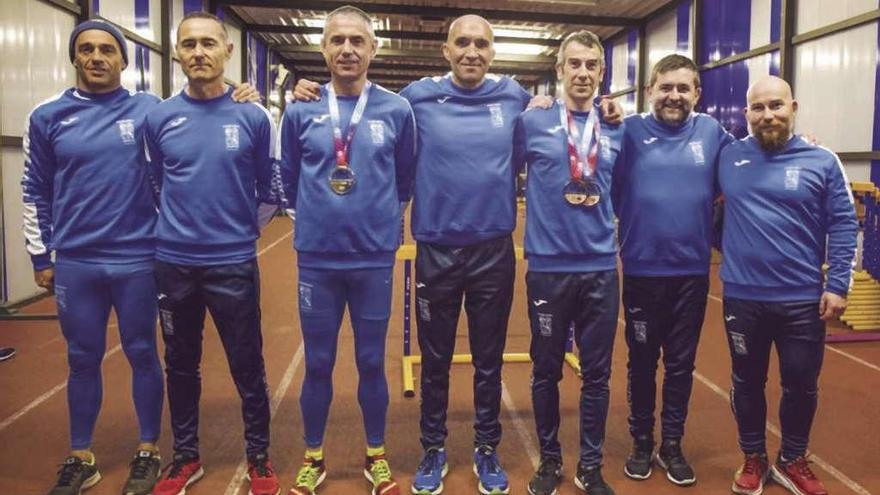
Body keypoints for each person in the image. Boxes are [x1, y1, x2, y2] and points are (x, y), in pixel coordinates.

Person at [292, 16, 621, 493]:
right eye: (462, 43)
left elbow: (566, 121)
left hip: (493, 251)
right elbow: (378, 129)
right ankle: (433, 448)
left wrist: (604, 108)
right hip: (436, 250)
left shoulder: (517, 99)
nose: (471, 51)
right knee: (437, 358)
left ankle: (487, 448)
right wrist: (308, 90)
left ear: (493, 52)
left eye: (481, 44)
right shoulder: (414, 99)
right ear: (445, 51)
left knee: (488, 360)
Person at [21, 20, 165, 495]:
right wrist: (40, 254)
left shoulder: (148, 110)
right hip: (77, 262)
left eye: (107, 50)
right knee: (82, 358)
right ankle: (81, 456)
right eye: (87, 50)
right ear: (75, 58)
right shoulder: (47, 116)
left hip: (138, 257)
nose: (97, 57)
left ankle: (148, 448)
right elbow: (34, 189)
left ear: (124, 60)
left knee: (143, 352)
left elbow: (185, 147)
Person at [278, 6, 416, 495]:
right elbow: (288, 179)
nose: (347, 49)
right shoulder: (299, 110)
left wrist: (374, 223)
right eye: (337, 40)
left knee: (371, 362)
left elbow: (404, 179)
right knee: (318, 362)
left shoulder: (397, 110)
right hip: (317, 260)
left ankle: (375, 453)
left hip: (373, 259)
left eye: (358, 40)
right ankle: (314, 456)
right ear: (323, 48)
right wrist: (318, 222)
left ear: (374, 48)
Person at [144, 12, 280, 495]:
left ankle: (259, 456)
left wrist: (241, 234)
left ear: (226, 52)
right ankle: (186, 456)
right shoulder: (158, 117)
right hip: (174, 264)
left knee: (248, 363)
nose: (198, 52)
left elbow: (270, 188)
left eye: (207, 43)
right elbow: (156, 182)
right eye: (188, 44)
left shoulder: (253, 114)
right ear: (177, 53)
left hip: (233, 264)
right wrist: (180, 230)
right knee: (180, 363)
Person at [718, 75, 856, 495]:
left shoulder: (822, 160)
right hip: (743, 298)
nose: (768, 115)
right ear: (746, 114)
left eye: (776, 106)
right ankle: (753, 457)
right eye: (758, 108)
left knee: (800, 383)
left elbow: (844, 222)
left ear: (793, 108)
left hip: (802, 300)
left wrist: (838, 284)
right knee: (746, 381)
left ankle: (793, 457)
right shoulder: (727, 156)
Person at [610, 54, 735, 487]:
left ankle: (673, 444)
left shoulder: (713, 135)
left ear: (697, 94)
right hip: (643, 273)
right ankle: (642, 441)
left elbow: (752, 163)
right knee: (642, 363)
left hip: (691, 276)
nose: (674, 96)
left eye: (684, 88)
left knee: (681, 365)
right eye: (666, 87)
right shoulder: (628, 133)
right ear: (650, 91)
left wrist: (804, 142)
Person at [513, 30, 624, 495]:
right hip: (548, 268)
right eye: (573, 64)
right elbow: (501, 169)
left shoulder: (619, 127)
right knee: (545, 370)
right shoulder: (532, 123)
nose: (582, 73)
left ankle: (591, 466)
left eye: (590, 65)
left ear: (601, 73)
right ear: (558, 71)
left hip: (600, 269)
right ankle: (550, 460)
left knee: (597, 374)